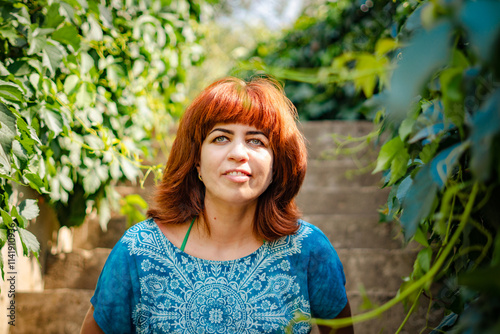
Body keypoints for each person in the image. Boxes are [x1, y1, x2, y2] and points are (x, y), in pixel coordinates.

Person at [80, 76, 353, 334]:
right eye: (220, 138)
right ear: (196, 161)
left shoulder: (308, 250)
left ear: (276, 166)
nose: (237, 154)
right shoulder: (139, 251)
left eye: (256, 141)